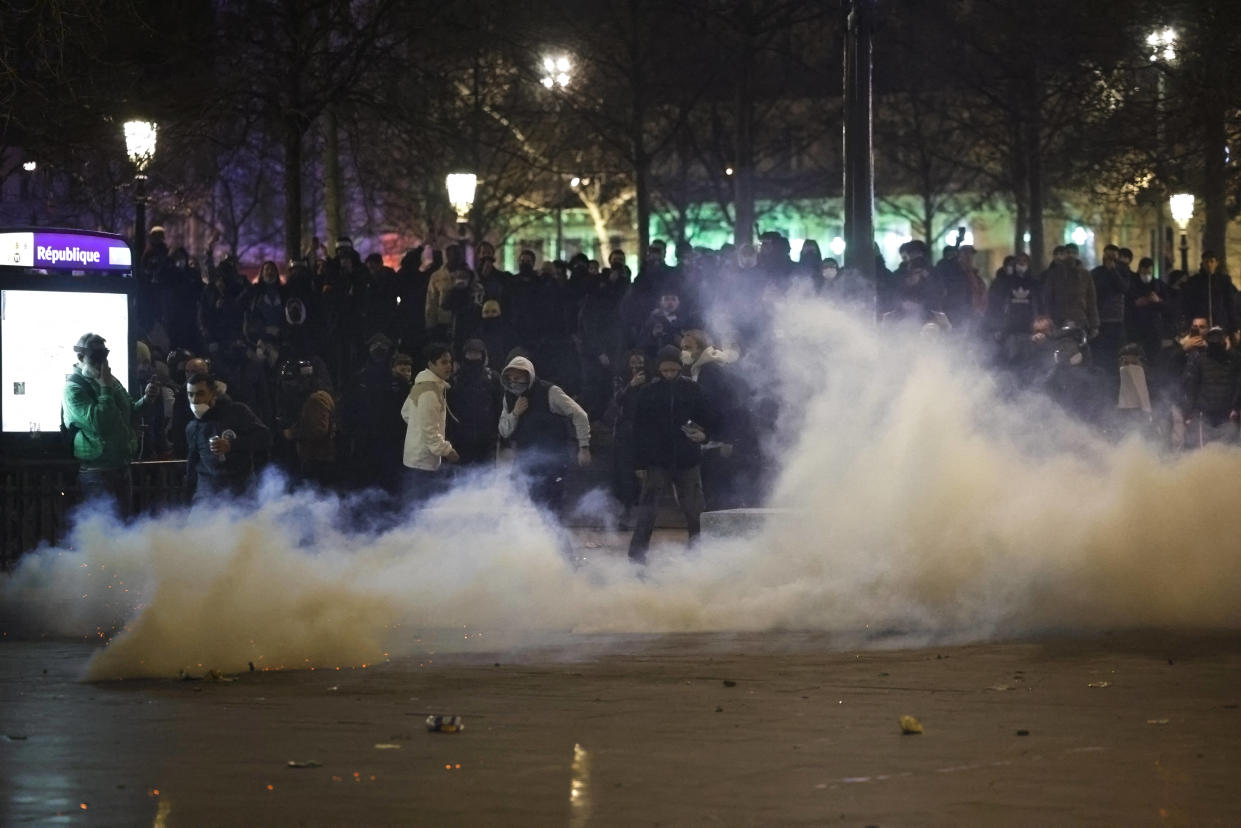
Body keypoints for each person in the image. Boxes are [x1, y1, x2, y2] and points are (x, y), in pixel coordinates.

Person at [628, 346, 715, 564]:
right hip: (657, 461)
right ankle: (637, 554)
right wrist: (639, 462)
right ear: (658, 369)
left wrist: (704, 435)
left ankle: (700, 552)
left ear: (680, 368)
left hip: (687, 460)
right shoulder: (649, 392)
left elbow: (709, 417)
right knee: (648, 511)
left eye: (673, 370)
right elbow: (639, 428)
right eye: (665, 370)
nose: (669, 374)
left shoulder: (693, 390)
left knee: (695, 510)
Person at [497, 354, 591, 513]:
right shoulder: (509, 397)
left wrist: (584, 446)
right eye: (510, 377)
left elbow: (580, 415)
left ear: (529, 376)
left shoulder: (550, 392)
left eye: (518, 377)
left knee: (552, 505)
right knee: (528, 504)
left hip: (554, 459)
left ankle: (553, 536)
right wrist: (515, 413)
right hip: (525, 459)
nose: (514, 381)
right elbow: (504, 430)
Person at [63, 333, 137, 516]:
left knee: (124, 526)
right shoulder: (73, 388)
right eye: (95, 357)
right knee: (103, 528)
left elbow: (129, 411)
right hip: (96, 472)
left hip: (121, 466)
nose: (101, 362)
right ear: (80, 357)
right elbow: (100, 423)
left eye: (104, 356)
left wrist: (148, 400)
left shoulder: (109, 380)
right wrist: (105, 388)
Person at [184, 371, 271, 502]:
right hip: (207, 496)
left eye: (200, 394)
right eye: (190, 395)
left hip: (241, 493)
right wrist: (188, 499)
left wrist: (232, 445)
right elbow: (193, 463)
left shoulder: (237, 411)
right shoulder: (192, 427)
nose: (195, 400)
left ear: (212, 393)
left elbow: (265, 437)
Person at [400, 342, 460, 501]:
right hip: (423, 461)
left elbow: (406, 413)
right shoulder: (429, 392)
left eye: (450, 361)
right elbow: (430, 431)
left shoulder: (422, 385)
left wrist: (416, 431)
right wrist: (447, 450)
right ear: (431, 364)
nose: (449, 366)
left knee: (415, 506)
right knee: (421, 509)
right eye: (443, 362)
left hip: (416, 456)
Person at [278, 359, 338, 488]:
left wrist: (291, 433)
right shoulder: (312, 398)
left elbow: (317, 431)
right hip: (314, 458)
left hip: (319, 460)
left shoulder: (317, 399)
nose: (289, 386)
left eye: (292, 381)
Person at [446, 339, 501, 467]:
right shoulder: (455, 378)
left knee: (486, 473)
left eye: (477, 354)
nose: (473, 357)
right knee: (462, 474)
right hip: (461, 436)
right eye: (470, 354)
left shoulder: (492, 377)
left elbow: (499, 405)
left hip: (487, 436)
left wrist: (500, 433)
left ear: (483, 355)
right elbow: (449, 407)